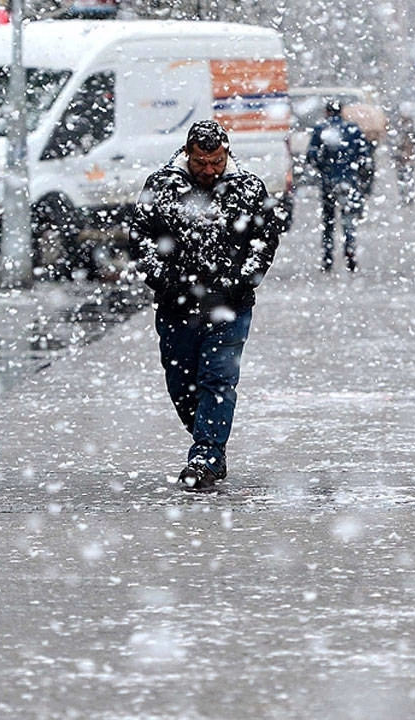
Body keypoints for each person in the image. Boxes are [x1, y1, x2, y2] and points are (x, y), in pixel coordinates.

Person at [130, 119, 284, 490]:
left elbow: (264, 240)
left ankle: (206, 456)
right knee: (181, 383)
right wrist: (161, 279)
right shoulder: (162, 186)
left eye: (216, 162)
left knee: (218, 379)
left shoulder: (248, 189)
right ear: (187, 154)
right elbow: (140, 237)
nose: (209, 170)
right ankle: (206, 437)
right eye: (201, 163)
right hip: (176, 306)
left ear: (227, 153)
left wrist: (242, 281)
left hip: (229, 307)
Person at [307, 100, 373, 272]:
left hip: (328, 181)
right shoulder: (353, 130)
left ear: (327, 112)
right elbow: (365, 157)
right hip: (349, 181)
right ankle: (350, 253)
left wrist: (323, 168)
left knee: (328, 221)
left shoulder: (322, 130)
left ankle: (328, 257)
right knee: (348, 220)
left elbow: (312, 155)